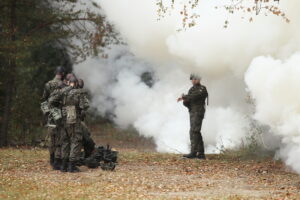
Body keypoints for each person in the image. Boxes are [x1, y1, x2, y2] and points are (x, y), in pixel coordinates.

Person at [49, 77, 89, 172]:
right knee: (76, 140)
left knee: (65, 141)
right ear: (75, 83)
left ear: (68, 83)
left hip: (62, 120)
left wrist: (58, 111)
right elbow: (85, 106)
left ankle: (63, 166)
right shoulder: (78, 92)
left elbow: (51, 101)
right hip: (74, 119)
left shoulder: (62, 91)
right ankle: (71, 166)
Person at [177, 74, 208, 159]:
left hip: (198, 112)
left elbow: (194, 96)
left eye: (195, 79)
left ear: (199, 79)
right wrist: (185, 101)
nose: (193, 81)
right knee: (194, 131)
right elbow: (188, 101)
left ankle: (194, 153)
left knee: (195, 131)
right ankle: (200, 153)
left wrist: (184, 97)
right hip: (192, 112)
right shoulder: (191, 89)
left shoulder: (202, 89)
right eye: (192, 79)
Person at [41, 66, 65, 168]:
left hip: (51, 114)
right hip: (61, 114)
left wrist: (47, 111)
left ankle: (51, 159)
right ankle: (58, 160)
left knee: (52, 137)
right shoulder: (64, 84)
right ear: (62, 73)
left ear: (55, 72)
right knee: (60, 136)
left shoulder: (48, 84)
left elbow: (44, 99)